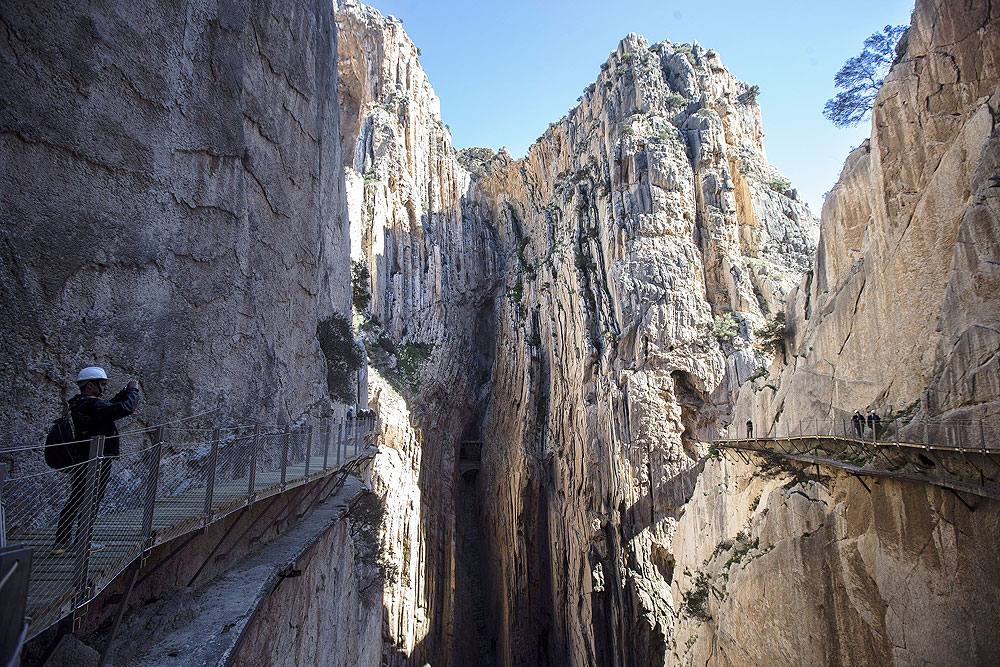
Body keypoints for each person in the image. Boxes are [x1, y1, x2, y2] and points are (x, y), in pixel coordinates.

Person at [53, 367, 141, 555]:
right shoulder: (92, 405)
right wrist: (133, 391)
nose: (103, 388)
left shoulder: (80, 403)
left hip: (83, 457)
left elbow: (108, 406)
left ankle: (61, 543)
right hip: (97, 459)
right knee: (91, 500)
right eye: (101, 384)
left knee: (76, 498)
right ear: (90, 385)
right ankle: (82, 543)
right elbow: (125, 408)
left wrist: (123, 393)